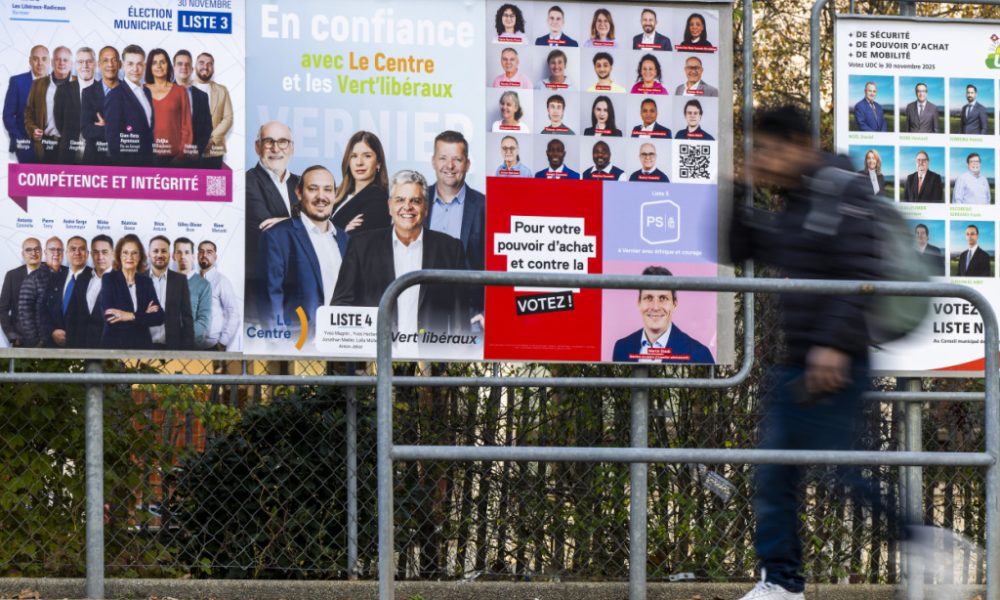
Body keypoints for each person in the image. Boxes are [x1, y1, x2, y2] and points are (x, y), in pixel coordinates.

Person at [728, 105, 903, 600]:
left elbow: (864, 270)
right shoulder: (796, 202)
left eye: (765, 148)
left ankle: (918, 538)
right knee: (776, 471)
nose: (759, 157)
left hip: (838, 359)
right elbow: (738, 246)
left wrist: (833, 344)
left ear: (798, 144)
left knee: (841, 471)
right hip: (798, 361)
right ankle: (782, 583)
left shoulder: (841, 190)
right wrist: (740, 186)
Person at [331, 169, 471, 335]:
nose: (407, 207)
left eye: (415, 201)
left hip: (430, 355)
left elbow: (460, 316)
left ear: (425, 208)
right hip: (377, 355)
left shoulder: (450, 249)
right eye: (400, 200)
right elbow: (341, 304)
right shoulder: (361, 246)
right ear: (390, 207)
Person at [260, 165, 348, 329]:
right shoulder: (277, 236)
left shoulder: (346, 240)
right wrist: (280, 347)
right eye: (313, 189)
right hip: (300, 346)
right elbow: (271, 298)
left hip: (341, 343)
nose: (321, 197)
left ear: (335, 194)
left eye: (328, 189)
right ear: (299, 193)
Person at [246, 121, 298, 320]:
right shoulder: (247, 182)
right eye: (269, 142)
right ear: (257, 147)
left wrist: (288, 222)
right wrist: (308, 223)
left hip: (296, 300)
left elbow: (327, 226)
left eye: (283, 142)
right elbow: (269, 231)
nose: (276, 148)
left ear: (291, 147)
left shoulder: (303, 184)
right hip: (260, 304)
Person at [612, 266, 713, 362]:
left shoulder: (699, 355)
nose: (655, 307)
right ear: (639, 303)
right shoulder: (622, 348)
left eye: (663, 298)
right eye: (648, 298)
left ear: (674, 304)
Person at [427, 131, 486, 273]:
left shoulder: (484, 206)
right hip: (422, 292)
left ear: (467, 164)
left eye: (457, 160)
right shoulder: (417, 201)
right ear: (433, 162)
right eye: (443, 158)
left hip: (467, 293)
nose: (449, 166)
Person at [99, 234, 163, 350]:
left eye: (134, 253)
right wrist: (144, 315)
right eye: (125, 252)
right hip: (114, 348)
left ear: (140, 257)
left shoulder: (146, 282)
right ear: (119, 255)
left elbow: (159, 317)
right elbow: (110, 318)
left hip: (142, 348)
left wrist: (129, 316)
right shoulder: (109, 279)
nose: (130, 257)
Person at [103, 44, 154, 165]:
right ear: (123, 65)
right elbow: (113, 141)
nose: (135, 69)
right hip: (129, 166)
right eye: (130, 64)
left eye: (139, 64)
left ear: (144, 66)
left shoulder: (147, 92)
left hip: (149, 163)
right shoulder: (115, 96)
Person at [331, 130, 391, 233]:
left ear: (378, 163)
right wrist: (344, 231)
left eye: (367, 156)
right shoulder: (339, 194)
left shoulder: (379, 199)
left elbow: (361, 242)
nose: (359, 162)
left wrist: (341, 234)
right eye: (354, 156)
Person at [25, 45, 74, 163]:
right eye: (58, 59)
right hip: (45, 145)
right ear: (52, 62)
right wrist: (33, 130)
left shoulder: (79, 84)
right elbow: (28, 115)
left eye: (65, 60)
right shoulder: (38, 84)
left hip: (71, 147)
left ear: (71, 63)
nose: (61, 63)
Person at [144, 48, 192, 166]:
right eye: (154, 63)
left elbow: (186, 126)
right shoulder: (141, 90)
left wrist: (181, 155)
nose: (159, 66)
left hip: (174, 156)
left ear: (168, 65)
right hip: (146, 154)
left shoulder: (180, 91)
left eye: (162, 62)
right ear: (149, 67)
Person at [147, 235, 194, 350]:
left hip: (172, 347)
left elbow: (187, 317)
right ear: (149, 253)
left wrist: (187, 349)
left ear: (170, 254)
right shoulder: (138, 279)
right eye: (155, 251)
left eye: (164, 251)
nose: (159, 255)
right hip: (142, 345)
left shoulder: (180, 280)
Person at [3, 45, 48, 163]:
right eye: (35, 58)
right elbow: (8, 115)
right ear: (30, 60)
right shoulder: (17, 82)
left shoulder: (57, 84)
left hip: (52, 147)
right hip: (26, 146)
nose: (39, 63)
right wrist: (20, 140)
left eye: (43, 59)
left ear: (49, 61)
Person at [45, 235, 91, 348]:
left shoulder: (96, 278)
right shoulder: (55, 277)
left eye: (81, 249)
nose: (77, 252)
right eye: (73, 249)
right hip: (53, 346)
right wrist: (52, 331)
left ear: (88, 253)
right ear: (66, 253)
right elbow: (43, 309)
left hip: (83, 346)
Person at [17, 236, 64, 348]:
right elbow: (25, 313)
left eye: (59, 250)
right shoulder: (33, 278)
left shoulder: (69, 275)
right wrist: (37, 342)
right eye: (52, 249)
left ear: (63, 253)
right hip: (43, 344)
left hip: (66, 343)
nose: (56, 253)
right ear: (45, 252)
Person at [53, 47, 96, 164]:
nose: (85, 65)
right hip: (67, 155)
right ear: (75, 65)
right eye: (81, 62)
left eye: (89, 61)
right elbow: (59, 123)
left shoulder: (104, 91)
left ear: (95, 64)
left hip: (96, 157)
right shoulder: (63, 90)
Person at [71, 234, 113, 348]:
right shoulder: (82, 278)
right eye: (96, 252)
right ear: (91, 254)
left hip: (108, 350)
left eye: (104, 252)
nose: (100, 257)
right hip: (79, 347)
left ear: (112, 253)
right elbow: (73, 314)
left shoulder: (122, 280)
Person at [198, 240, 241, 351]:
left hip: (211, 346)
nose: (204, 255)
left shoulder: (221, 281)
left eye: (209, 252)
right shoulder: (191, 280)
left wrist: (223, 342)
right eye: (201, 252)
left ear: (215, 257)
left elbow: (233, 313)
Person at [80, 46, 119, 165]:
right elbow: (86, 130)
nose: (110, 64)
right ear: (99, 64)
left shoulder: (129, 92)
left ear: (120, 64)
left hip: (121, 160)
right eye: (105, 60)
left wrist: (104, 127)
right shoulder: (88, 92)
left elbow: (134, 131)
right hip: (94, 159)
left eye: (114, 60)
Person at [194, 52, 233, 168]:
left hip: (214, 150)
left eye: (209, 64)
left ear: (213, 68)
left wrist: (211, 140)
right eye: (201, 63)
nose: (205, 66)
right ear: (195, 66)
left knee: (212, 186)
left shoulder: (222, 90)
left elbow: (228, 118)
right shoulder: (184, 89)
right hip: (189, 151)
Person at [0, 238, 41, 346]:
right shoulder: (12, 276)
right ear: (23, 254)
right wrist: (12, 336)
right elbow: (2, 310)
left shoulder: (52, 273)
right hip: (21, 342)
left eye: (37, 249)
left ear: (42, 252)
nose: (34, 253)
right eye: (29, 250)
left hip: (50, 342)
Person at [173, 50, 212, 160]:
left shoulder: (202, 96)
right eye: (180, 64)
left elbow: (207, 127)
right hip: (168, 157)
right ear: (173, 67)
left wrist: (197, 149)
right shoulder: (162, 93)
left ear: (192, 69)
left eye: (187, 64)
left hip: (193, 158)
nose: (184, 67)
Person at [173, 237, 211, 348]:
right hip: (168, 347)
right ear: (173, 256)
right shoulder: (165, 282)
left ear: (193, 257)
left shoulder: (204, 285)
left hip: (192, 348)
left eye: (187, 252)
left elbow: (203, 321)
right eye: (179, 252)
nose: (183, 256)